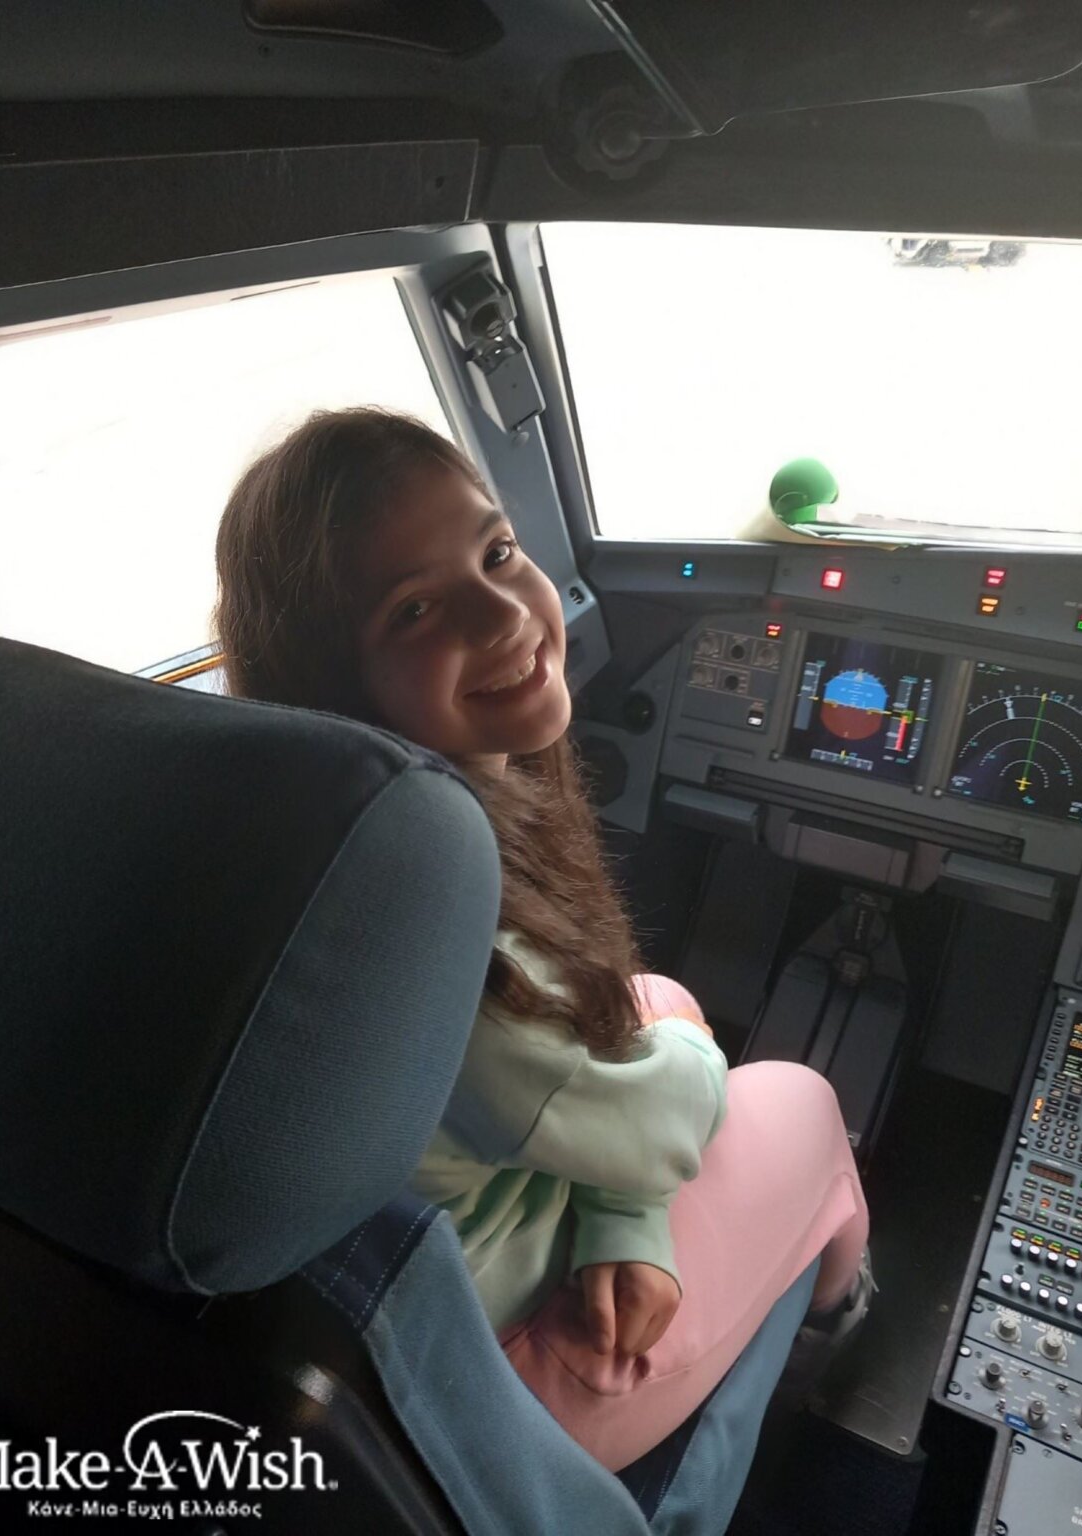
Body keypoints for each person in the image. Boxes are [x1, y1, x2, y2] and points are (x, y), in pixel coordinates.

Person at [213, 407, 871, 1472]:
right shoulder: (429, 941)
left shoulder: (331, 837)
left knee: (650, 998)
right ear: (331, 677)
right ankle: (827, 1332)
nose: (504, 613)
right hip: (490, 1377)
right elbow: (656, 1115)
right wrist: (690, 1063)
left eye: (497, 552)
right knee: (798, 1096)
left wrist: (630, 1217)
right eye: (416, 607)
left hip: (442, 1252)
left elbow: (590, 1077)